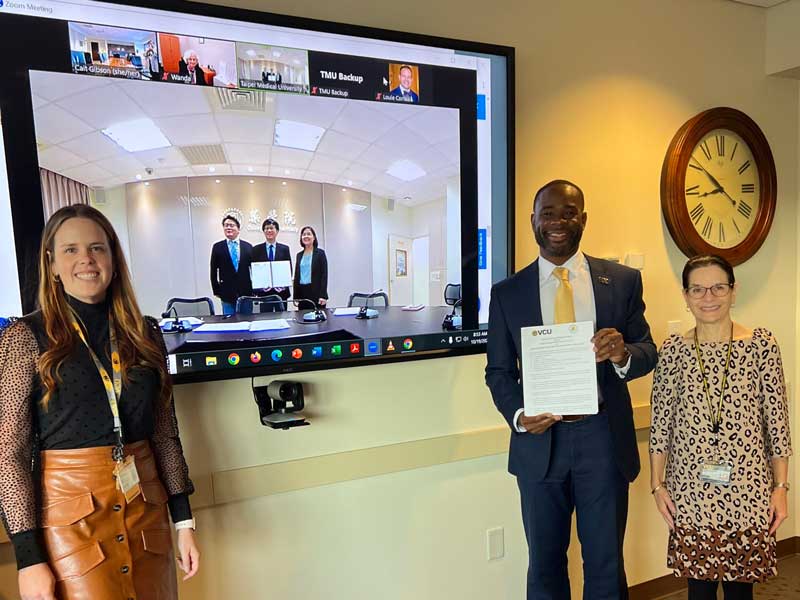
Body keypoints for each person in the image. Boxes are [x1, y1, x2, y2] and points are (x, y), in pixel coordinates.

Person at [0, 204, 199, 600]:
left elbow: (164, 433)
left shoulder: (144, 333)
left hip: (147, 512)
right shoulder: (25, 337)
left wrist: (183, 522)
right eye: (71, 249)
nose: (86, 260)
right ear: (52, 262)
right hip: (72, 525)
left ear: (113, 258)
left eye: (97, 248)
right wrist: (28, 558)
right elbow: (9, 453)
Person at [485, 179, 657, 599]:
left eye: (568, 213)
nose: (558, 222)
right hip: (541, 443)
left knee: (605, 564)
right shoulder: (507, 293)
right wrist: (519, 417)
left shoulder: (621, 280)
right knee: (544, 565)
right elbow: (499, 371)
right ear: (533, 221)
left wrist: (622, 355)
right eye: (548, 213)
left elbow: (648, 350)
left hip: (603, 440)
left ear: (584, 219)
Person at [649, 255, 791, 600]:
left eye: (717, 287)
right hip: (691, 491)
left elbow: (777, 423)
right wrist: (657, 485)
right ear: (685, 296)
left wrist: (781, 487)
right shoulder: (673, 351)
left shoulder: (761, 345)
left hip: (748, 489)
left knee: (741, 592)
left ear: (733, 291)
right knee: (698, 590)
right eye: (697, 289)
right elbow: (660, 425)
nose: (708, 297)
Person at [210, 214, 253, 314]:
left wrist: (254, 289)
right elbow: (213, 270)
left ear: (238, 229)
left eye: (231, 225)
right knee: (229, 323)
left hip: (245, 293)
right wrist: (216, 290)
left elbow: (254, 270)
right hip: (226, 293)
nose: (228, 227)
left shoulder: (248, 247)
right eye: (226, 225)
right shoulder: (217, 247)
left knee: (247, 321)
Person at [251, 217, 292, 310]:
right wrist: (260, 287)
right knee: (266, 319)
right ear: (263, 231)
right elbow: (254, 272)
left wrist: (283, 285)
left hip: (281, 293)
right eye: (266, 228)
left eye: (271, 228)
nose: (269, 230)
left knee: (282, 318)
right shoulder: (256, 249)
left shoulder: (284, 249)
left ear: (277, 231)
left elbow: (289, 269)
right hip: (264, 293)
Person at [293, 226, 328, 310]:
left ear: (314, 237)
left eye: (309, 234)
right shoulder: (299, 255)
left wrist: (323, 295)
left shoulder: (320, 253)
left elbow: (324, 275)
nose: (306, 236)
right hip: (302, 293)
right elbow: (297, 276)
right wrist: (295, 296)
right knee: (302, 319)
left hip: (316, 292)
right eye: (304, 234)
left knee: (317, 321)